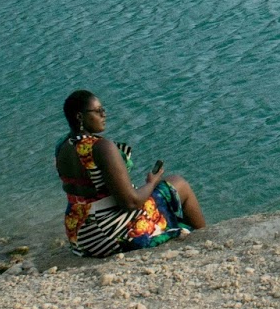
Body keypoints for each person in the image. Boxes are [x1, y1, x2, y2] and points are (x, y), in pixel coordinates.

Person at [54, 89, 207, 257]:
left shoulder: (63, 146)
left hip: (79, 235)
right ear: (79, 117)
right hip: (108, 235)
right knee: (179, 184)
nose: (104, 115)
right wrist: (152, 182)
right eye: (98, 111)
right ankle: (206, 239)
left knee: (161, 194)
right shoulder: (101, 147)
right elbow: (131, 203)